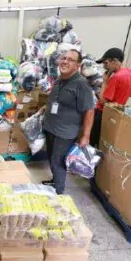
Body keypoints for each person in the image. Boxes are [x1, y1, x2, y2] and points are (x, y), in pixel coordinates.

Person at [42, 49, 95, 194]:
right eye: (63, 58)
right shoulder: (60, 79)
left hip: (65, 132)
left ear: (77, 66)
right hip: (51, 127)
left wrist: (85, 135)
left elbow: (89, 111)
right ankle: (55, 182)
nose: (65, 61)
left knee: (58, 162)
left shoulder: (81, 84)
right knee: (51, 158)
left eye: (70, 59)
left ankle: (58, 192)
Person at [90, 48, 131, 146]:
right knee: (103, 143)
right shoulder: (130, 73)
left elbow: (102, 101)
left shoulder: (116, 77)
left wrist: (105, 82)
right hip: (115, 114)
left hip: (103, 114)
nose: (104, 66)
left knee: (92, 143)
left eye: (106, 63)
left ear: (115, 61)